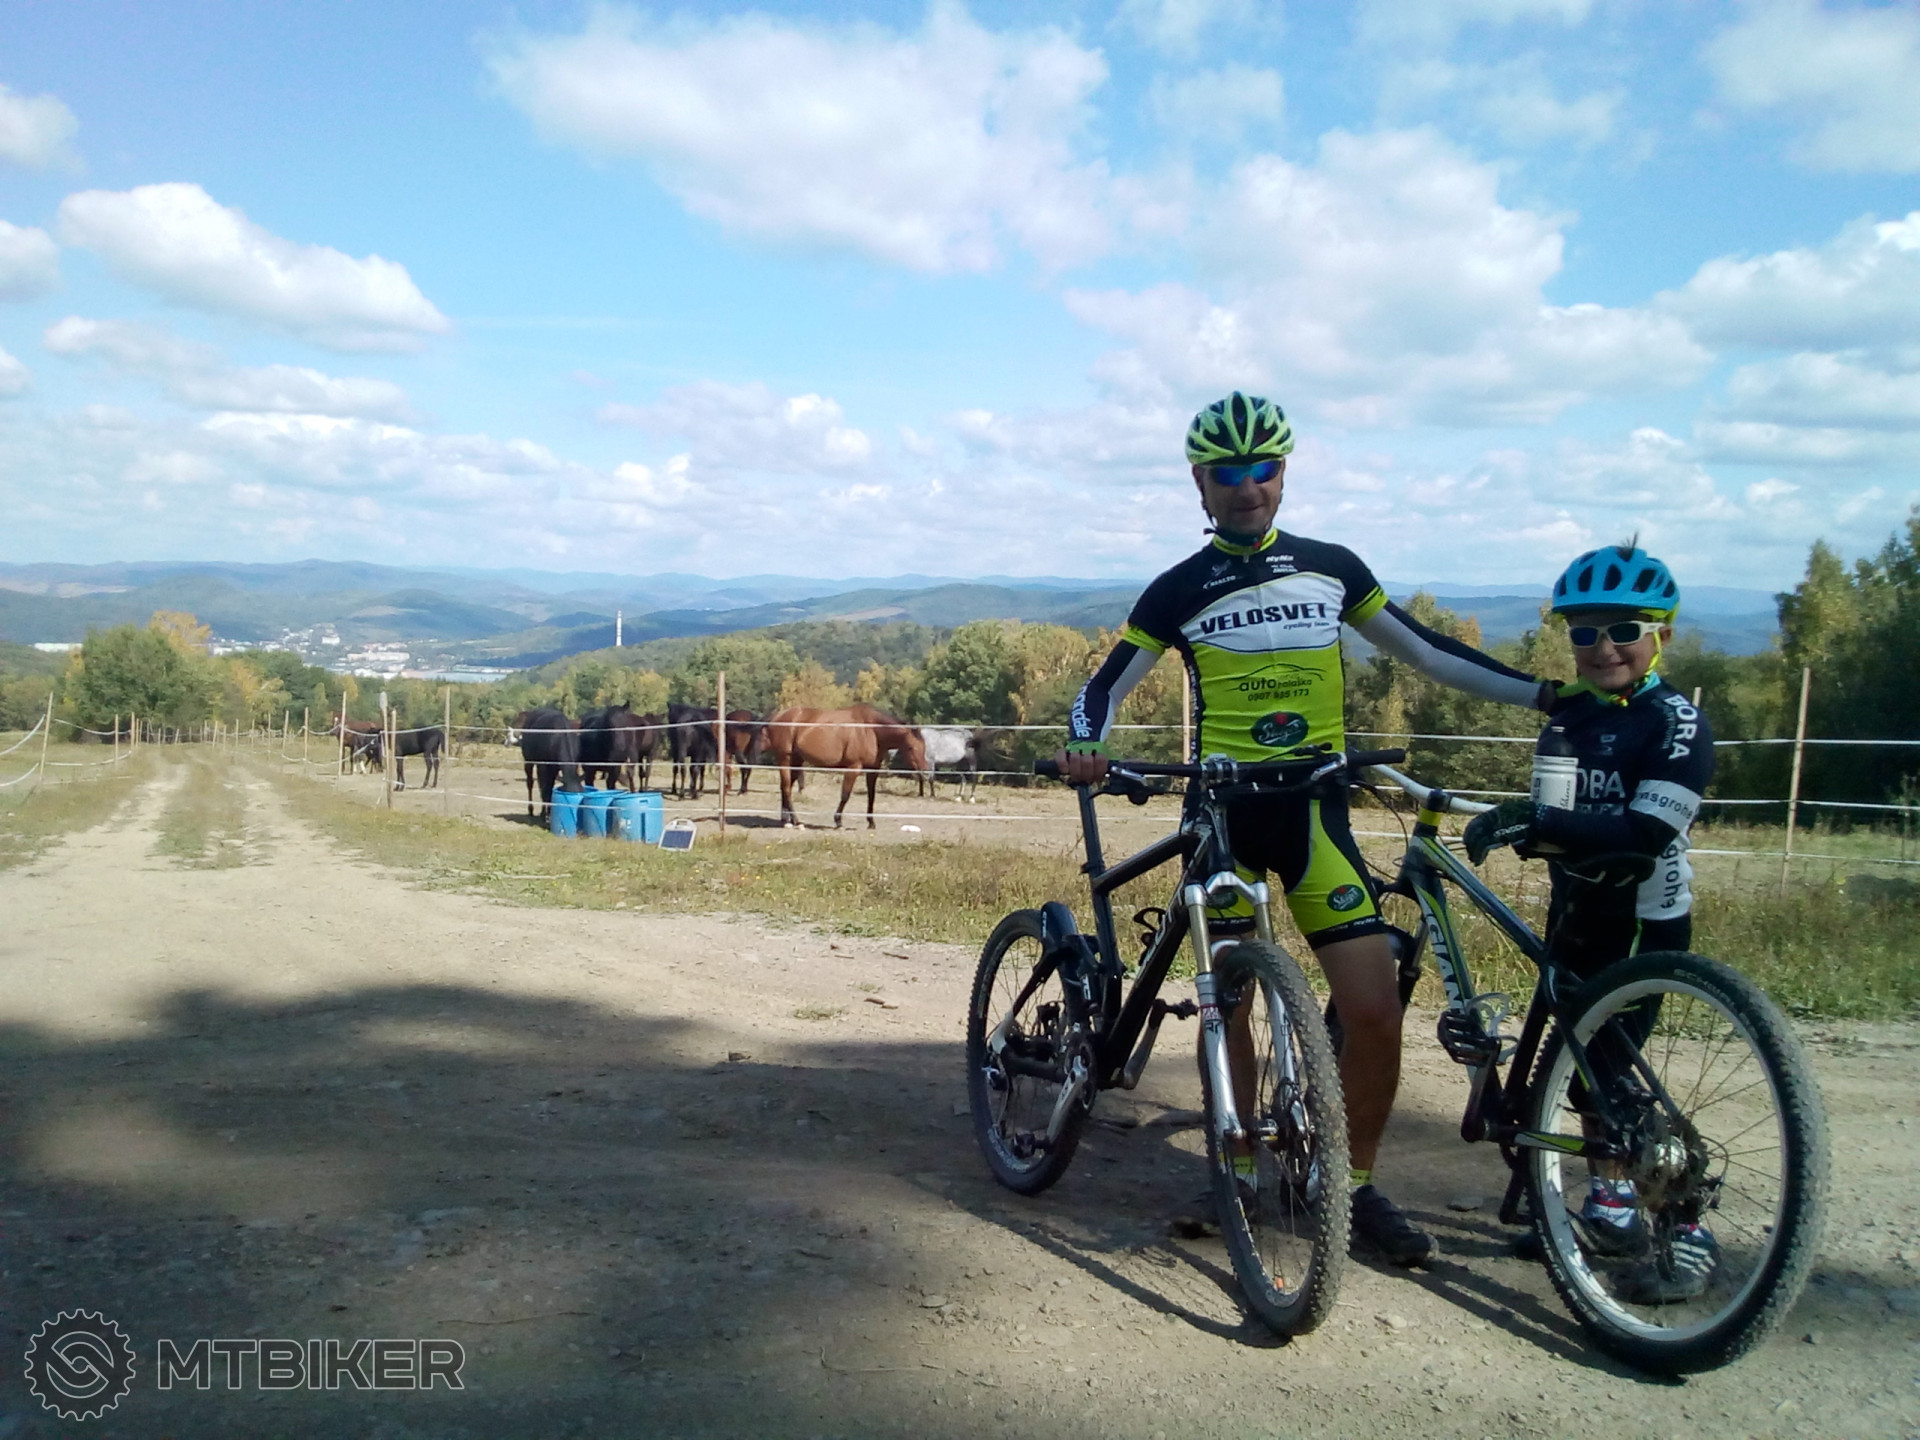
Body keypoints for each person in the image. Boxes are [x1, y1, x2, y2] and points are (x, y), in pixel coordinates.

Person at [1058, 392, 1556, 1266]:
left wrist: (1550, 696)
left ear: (1283, 472)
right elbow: (1102, 687)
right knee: (1230, 1003)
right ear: (1200, 482)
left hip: (1315, 812)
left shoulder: (1332, 568)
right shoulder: (1178, 588)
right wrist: (1085, 743)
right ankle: (1241, 1168)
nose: (1247, 486)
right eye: (1228, 472)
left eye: (1264, 468)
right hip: (1223, 815)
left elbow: (1428, 653)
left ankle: (1349, 1187)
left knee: (1374, 1010)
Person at [1462, 541, 1719, 1302]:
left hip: (1641, 920)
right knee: (1579, 1077)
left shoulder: (1675, 722)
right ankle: (1609, 1209)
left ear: (1660, 633)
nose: (1604, 647)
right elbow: (1461, 669)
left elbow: (1645, 835)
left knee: (1608, 1076)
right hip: (1574, 909)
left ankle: (1685, 1225)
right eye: (1584, 632)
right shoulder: (1571, 713)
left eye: (1624, 630)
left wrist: (1533, 821)